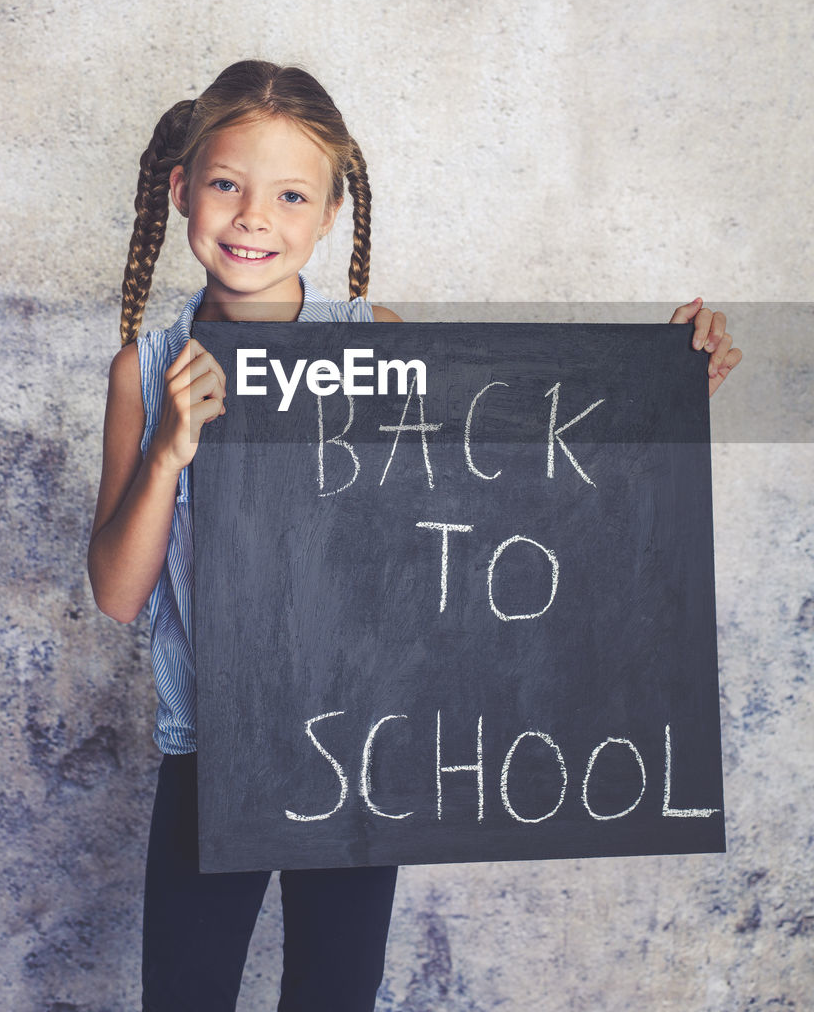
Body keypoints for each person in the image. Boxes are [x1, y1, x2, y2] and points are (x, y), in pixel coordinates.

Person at [87, 60, 742, 1011]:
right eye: (226, 184)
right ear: (184, 189)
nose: (252, 216)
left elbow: (504, 477)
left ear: (326, 217)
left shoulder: (375, 342)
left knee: (336, 991)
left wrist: (662, 384)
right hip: (213, 747)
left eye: (290, 194)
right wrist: (168, 458)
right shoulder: (144, 372)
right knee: (183, 996)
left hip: (364, 747)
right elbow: (116, 595)